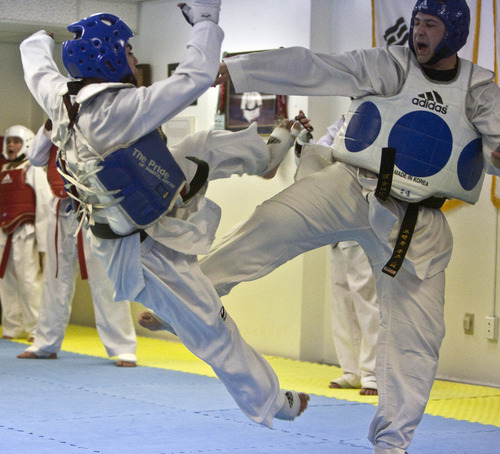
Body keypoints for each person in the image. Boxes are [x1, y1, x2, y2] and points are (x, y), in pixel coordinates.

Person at [200, 1, 500, 452]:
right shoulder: (389, 64)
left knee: (417, 338)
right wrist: (241, 69)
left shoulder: (479, 89)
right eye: (416, 22)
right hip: (351, 187)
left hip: (418, 222)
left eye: (430, 25)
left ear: (453, 33)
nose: (419, 33)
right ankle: (190, 292)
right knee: (272, 222)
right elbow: (318, 67)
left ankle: (391, 443)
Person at [20, 2, 309, 428]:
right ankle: (271, 402)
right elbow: (192, 79)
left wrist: (43, 38)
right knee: (214, 330)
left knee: (203, 145)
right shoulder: (118, 111)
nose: (136, 60)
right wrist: (206, 23)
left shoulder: (60, 95)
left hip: (147, 209)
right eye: (131, 51)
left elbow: (32, 55)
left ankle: (266, 155)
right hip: (144, 254)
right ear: (111, 57)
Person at [17, 120, 138, 367]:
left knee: (105, 277)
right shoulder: (54, 123)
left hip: (97, 206)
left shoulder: (100, 118)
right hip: (60, 207)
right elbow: (36, 158)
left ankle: (123, 346)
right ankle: (46, 343)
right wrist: (48, 129)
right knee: (55, 276)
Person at [294, 113, 379, 396]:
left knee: (366, 296)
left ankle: (373, 373)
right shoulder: (343, 120)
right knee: (341, 295)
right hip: (336, 218)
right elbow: (320, 154)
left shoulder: (378, 120)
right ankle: (351, 370)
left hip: (361, 213)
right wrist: (303, 140)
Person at [0, 125, 51, 341]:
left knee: (29, 281)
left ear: (28, 143)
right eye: (9, 141)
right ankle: (12, 327)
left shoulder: (33, 169)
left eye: (17, 141)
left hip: (26, 233)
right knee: (6, 281)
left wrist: (43, 244)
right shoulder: (3, 171)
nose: (11, 145)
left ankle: (35, 328)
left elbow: (44, 204)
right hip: (4, 234)